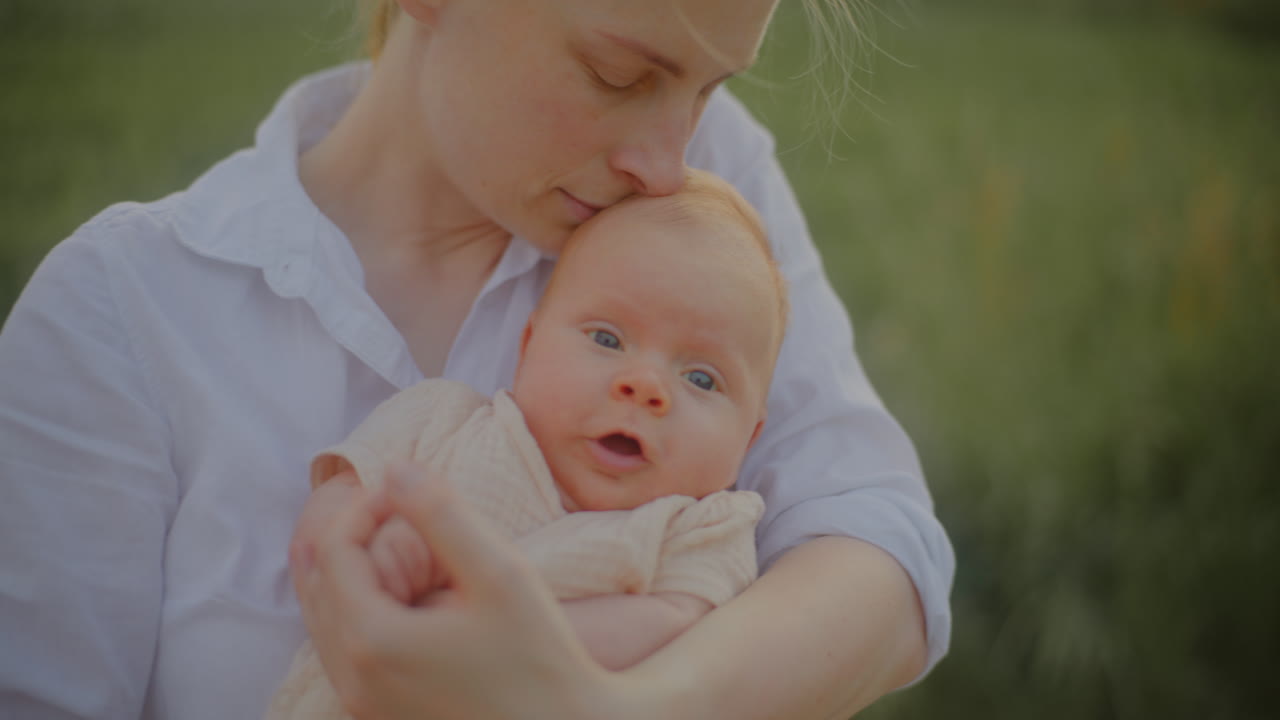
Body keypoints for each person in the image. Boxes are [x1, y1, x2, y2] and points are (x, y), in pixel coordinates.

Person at [0, 0, 955, 718]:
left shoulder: (701, 194)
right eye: (617, 75)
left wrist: (604, 706)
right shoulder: (123, 311)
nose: (667, 164)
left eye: (710, 89)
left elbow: (881, 545)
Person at [268, 170, 784, 718]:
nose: (645, 386)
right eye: (607, 339)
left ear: (749, 438)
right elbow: (339, 498)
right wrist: (356, 558)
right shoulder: (443, 417)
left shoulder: (703, 526)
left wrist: (499, 644)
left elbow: (675, 627)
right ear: (529, 345)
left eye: (701, 378)